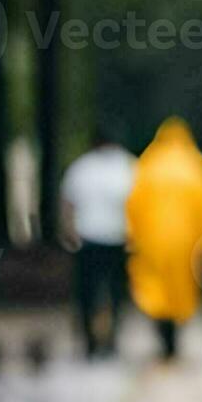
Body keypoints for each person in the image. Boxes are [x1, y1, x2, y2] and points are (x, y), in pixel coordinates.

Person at [125, 116, 202, 360]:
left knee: (157, 289)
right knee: (181, 289)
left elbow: (132, 204)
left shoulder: (148, 165)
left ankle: (163, 329)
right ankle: (174, 334)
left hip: (152, 239)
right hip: (187, 241)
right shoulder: (198, 167)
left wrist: (133, 236)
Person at [60, 127, 136, 357]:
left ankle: (89, 341)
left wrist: (70, 233)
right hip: (119, 239)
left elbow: (67, 204)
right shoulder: (130, 166)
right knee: (115, 293)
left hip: (88, 240)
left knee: (86, 293)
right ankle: (111, 339)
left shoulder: (82, 168)